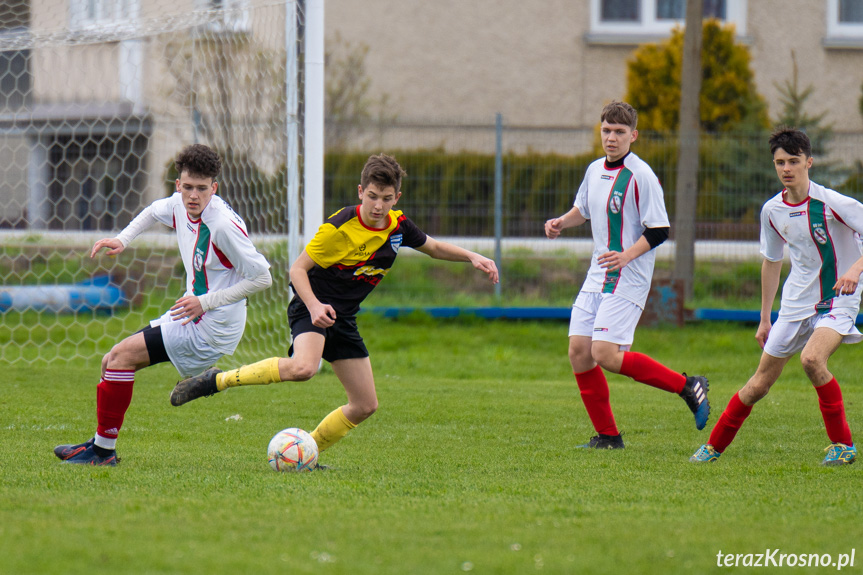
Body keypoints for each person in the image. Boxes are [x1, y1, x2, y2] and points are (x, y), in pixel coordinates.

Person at [170, 153, 499, 464]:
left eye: (386, 198)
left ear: (396, 197)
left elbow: (435, 247)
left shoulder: (397, 226)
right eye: (372, 196)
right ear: (361, 192)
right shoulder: (339, 227)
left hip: (342, 319)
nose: (378, 206)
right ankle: (217, 381)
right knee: (304, 368)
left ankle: (306, 452)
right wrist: (314, 307)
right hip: (310, 305)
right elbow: (296, 270)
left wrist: (473, 256)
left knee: (365, 405)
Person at [54, 144, 273, 466]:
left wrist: (205, 302)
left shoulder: (223, 226)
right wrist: (123, 239)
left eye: (202, 189)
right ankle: (99, 444)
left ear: (215, 188)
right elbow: (154, 211)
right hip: (191, 313)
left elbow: (263, 278)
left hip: (212, 324)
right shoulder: (179, 204)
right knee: (110, 361)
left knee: (120, 359)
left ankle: (102, 454)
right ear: (178, 185)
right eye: (187, 187)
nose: (193, 196)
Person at [544, 100, 710, 450]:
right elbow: (584, 209)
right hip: (598, 273)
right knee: (578, 351)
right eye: (607, 130)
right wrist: (562, 221)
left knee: (604, 353)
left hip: (629, 276)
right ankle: (608, 436)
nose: (612, 138)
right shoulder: (594, 170)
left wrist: (626, 256)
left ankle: (688, 386)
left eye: (620, 132)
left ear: (633, 135)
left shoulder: (641, 176)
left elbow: (660, 229)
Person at [691, 128, 862, 466]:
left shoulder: (832, 203)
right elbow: (770, 262)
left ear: (809, 162)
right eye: (780, 162)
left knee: (812, 360)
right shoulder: (771, 210)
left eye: (794, 161)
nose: (786, 168)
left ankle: (843, 445)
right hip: (796, 303)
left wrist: (854, 271)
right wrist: (765, 317)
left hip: (838, 298)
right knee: (758, 385)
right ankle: (712, 447)